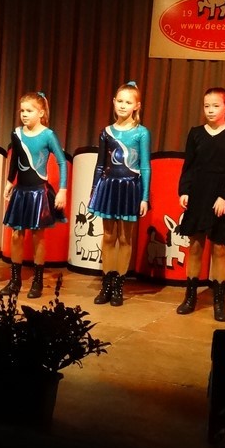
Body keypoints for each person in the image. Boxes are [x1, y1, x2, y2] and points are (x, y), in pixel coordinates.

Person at [175, 87, 225, 322]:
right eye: (207, 106)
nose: (210, 110)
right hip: (198, 195)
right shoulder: (195, 133)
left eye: (216, 106)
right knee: (195, 246)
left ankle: (219, 300)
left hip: (220, 198)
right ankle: (190, 297)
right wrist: (184, 191)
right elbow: (188, 166)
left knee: (219, 249)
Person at [88, 81, 151, 307]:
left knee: (125, 238)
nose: (123, 105)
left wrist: (145, 197)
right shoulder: (106, 132)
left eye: (128, 102)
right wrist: (94, 192)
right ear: (114, 102)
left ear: (137, 106)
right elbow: (99, 165)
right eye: (120, 101)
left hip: (130, 188)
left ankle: (118, 285)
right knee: (108, 236)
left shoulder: (141, 133)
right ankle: (106, 284)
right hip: (109, 187)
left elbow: (145, 166)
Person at [0, 92, 67, 299]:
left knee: (38, 236)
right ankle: (15, 280)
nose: (24, 114)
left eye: (29, 111)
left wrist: (63, 189)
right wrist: (9, 182)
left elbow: (62, 162)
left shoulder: (48, 135)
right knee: (16, 235)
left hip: (39, 193)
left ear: (41, 113)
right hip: (21, 191)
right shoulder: (17, 134)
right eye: (22, 110)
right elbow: (15, 160)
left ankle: (37, 281)